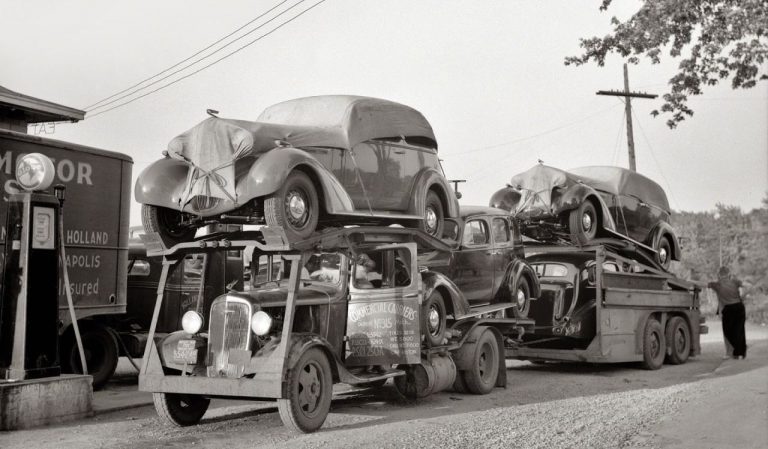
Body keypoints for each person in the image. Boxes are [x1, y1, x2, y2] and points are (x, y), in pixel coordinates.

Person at [708, 266, 747, 359]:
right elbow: (746, 285)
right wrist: (743, 296)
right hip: (739, 307)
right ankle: (740, 352)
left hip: (728, 308)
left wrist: (689, 281)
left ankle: (732, 352)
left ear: (719, 275)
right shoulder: (734, 281)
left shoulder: (717, 284)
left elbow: (702, 284)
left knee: (728, 332)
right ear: (729, 274)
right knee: (739, 330)